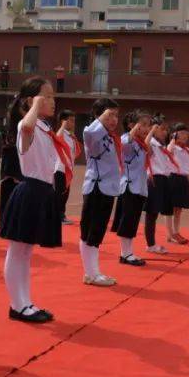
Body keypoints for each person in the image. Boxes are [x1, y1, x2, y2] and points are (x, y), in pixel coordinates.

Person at [0, 77, 71, 323]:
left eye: (52, 96)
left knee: (26, 253)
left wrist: (36, 108)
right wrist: (34, 107)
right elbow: (25, 128)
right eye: (46, 96)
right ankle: (17, 305)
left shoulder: (43, 126)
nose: (52, 101)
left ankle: (25, 302)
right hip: (29, 190)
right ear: (31, 100)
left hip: (42, 191)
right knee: (17, 250)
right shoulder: (26, 125)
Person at [77, 98, 122, 288]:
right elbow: (89, 133)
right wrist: (101, 119)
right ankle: (92, 273)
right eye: (109, 114)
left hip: (107, 188)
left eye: (116, 116)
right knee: (91, 231)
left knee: (96, 232)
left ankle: (92, 272)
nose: (114, 120)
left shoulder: (110, 138)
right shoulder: (92, 132)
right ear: (98, 115)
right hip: (97, 187)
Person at [112, 108, 153, 266]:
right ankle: (125, 253)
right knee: (127, 220)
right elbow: (125, 143)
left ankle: (128, 252)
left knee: (133, 220)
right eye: (142, 125)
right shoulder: (126, 139)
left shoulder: (142, 144)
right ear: (131, 125)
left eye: (148, 125)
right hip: (129, 187)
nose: (146, 128)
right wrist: (134, 130)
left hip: (140, 187)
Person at [143, 115, 175, 255]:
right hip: (154, 179)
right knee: (151, 214)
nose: (165, 132)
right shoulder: (151, 143)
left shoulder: (161, 145)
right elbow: (145, 144)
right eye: (161, 129)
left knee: (155, 214)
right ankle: (150, 244)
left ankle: (152, 243)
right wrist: (151, 131)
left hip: (163, 179)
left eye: (166, 129)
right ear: (153, 129)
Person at [166, 122, 189, 245]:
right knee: (170, 209)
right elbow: (168, 151)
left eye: (186, 134)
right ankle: (170, 234)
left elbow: (186, 168)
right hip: (172, 179)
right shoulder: (173, 147)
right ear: (175, 134)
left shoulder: (187, 149)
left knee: (179, 209)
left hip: (183, 180)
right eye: (182, 133)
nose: (184, 136)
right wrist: (172, 139)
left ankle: (176, 232)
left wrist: (187, 181)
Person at [54, 109, 79, 225]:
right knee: (59, 194)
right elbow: (57, 138)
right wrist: (63, 126)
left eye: (74, 121)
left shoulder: (71, 136)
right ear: (63, 121)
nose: (73, 123)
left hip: (68, 170)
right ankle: (58, 216)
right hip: (60, 169)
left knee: (65, 194)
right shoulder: (61, 133)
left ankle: (61, 215)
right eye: (70, 121)